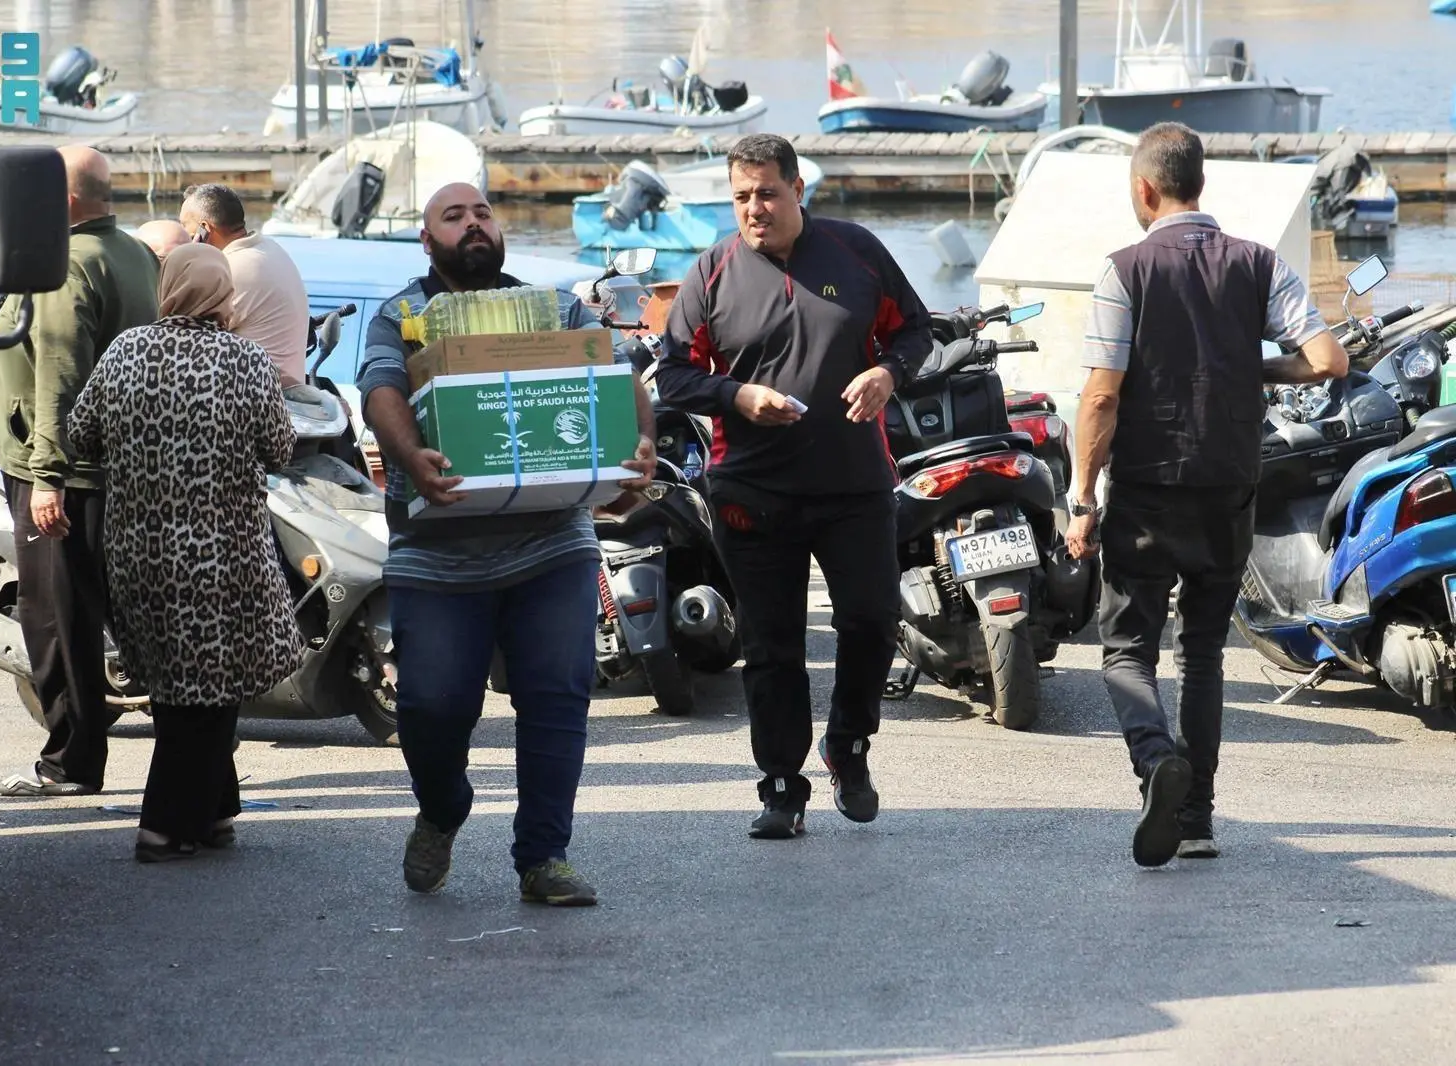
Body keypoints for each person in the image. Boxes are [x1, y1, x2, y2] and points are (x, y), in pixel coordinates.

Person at [356, 182, 657, 906]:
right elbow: (379, 393)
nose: (473, 224)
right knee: (431, 706)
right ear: (427, 240)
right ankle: (442, 808)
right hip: (436, 552)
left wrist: (638, 445)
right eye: (453, 216)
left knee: (558, 696)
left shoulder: (557, 310)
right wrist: (410, 456)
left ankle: (543, 857)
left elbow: (617, 373)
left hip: (552, 543)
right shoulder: (401, 315)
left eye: (483, 212)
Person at [1064, 122, 1349, 868]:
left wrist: (1081, 495)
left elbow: (1100, 396)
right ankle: (1195, 819)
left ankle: (1156, 757)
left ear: (1143, 189)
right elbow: (1326, 359)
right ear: (1200, 184)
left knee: (1126, 650)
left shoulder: (1125, 270)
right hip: (1229, 487)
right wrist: (1256, 371)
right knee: (1201, 654)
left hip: (1149, 489)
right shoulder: (1257, 264)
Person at [654, 133, 930, 840]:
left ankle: (849, 744)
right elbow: (677, 373)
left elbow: (918, 331)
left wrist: (887, 374)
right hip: (753, 491)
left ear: (798, 188)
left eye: (768, 193)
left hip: (855, 485)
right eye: (742, 196)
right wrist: (738, 395)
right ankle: (781, 785)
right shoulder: (710, 274)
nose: (755, 208)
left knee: (870, 622)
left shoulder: (856, 250)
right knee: (772, 646)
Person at [67, 244, 305, 862]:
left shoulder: (124, 351)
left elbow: (80, 434)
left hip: (137, 552)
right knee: (203, 692)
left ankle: (215, 813)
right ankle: (161, 827)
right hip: (223, 556)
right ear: (222, 293)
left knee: (182, 681)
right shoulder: (245, 360)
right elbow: (280, 449)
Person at [0, 145, 160, 799]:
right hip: (113, 467)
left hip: (61, 472)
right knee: (92, 613)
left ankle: (69, 764)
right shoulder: (136, 252)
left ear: (61, 205)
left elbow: (60, 377)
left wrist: (47, 477)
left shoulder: (67, 267)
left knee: (57, 623)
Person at [179, 183, 310, 388]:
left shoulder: (231, 269)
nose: (183, 239)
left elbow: (184, 342)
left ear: (204, 230)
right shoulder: (269, 248)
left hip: (255, 402)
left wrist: (190, 262)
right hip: (281, 392)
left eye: (184, 228)